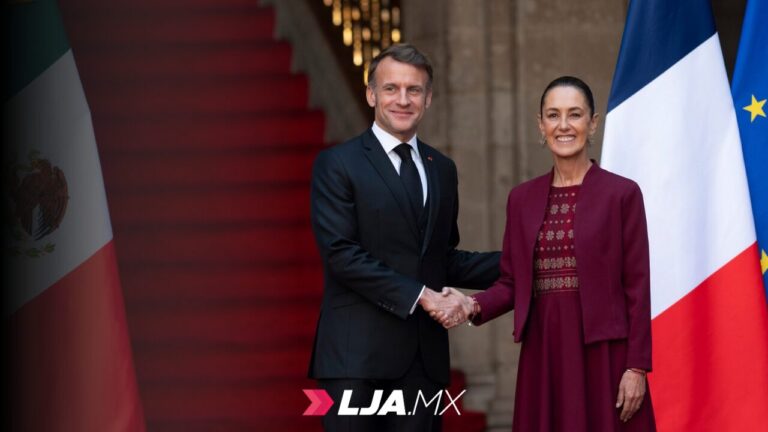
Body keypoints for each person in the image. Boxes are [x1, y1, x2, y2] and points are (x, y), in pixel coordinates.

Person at [434, 76, 656, 431]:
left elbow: (638, 287)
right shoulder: (521, 199)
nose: (564, 125)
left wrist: (636, 367)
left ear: (592, 123)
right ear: (541, 125)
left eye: (575, 114)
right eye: (553, 115)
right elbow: (511, 281)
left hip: (605, 358)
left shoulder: (623, 194)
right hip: (545, 353)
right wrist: (472, 305)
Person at [308, 43, 500, 432]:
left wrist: (528, 257)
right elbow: (342, 255)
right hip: (354, 360)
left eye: (414, 90)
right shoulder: (337, 164)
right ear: (371, 94)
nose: (403, 99)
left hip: (421, 361)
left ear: (428, 98)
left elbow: (441, 259)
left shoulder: (442, 169)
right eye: (391, 88)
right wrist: (423, 295)